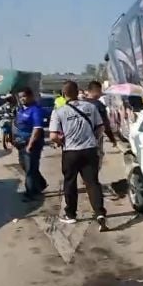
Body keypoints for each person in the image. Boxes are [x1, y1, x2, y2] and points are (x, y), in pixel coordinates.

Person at [48, 80, 107, 229]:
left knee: (70, 183)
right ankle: (100, 213)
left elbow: (53, 136)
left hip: (71, 152)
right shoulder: (90, 107)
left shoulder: (59, 112)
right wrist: (93, 138)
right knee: (92, 182)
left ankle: (71, 215)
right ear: (77, 92)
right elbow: (101, 128)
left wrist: (62, 142)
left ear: (64, 94)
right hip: (90, 150)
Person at [83, 81, 122, 199]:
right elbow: (105, 124)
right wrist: (112, 139)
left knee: (85, 164)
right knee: (95, 163)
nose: (101, 93)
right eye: (100, 90)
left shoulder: (80, 104)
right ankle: (93, 186)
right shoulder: (98, 105)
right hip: (95, 139)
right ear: (96, 91)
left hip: (81, 140)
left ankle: (88, 183)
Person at [13, 87, 47, 200]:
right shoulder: (21, 109)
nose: (22, 99)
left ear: (30, 96)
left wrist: (30, 144)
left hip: (32, 143)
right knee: (25, 166)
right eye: (20, 97)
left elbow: (37, 129)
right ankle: (41, 183)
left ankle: (30, 193)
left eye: (24, 96)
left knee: (30, 170)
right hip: (20, 143)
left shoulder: (35, 110)